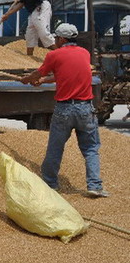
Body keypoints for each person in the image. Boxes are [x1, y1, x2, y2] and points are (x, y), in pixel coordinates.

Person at [21, 23, 109, 198]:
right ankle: (95, 186)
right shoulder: (85, 53)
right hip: (85, 109)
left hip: (65, 109)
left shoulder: (54, 55)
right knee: (91, 149)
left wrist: (27, 79)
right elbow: (64, 74)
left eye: (56, 38)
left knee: (55, 147)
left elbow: (39, 73)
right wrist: (43, 81)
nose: (55, 40)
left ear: (61, 39)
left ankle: (50, 184)